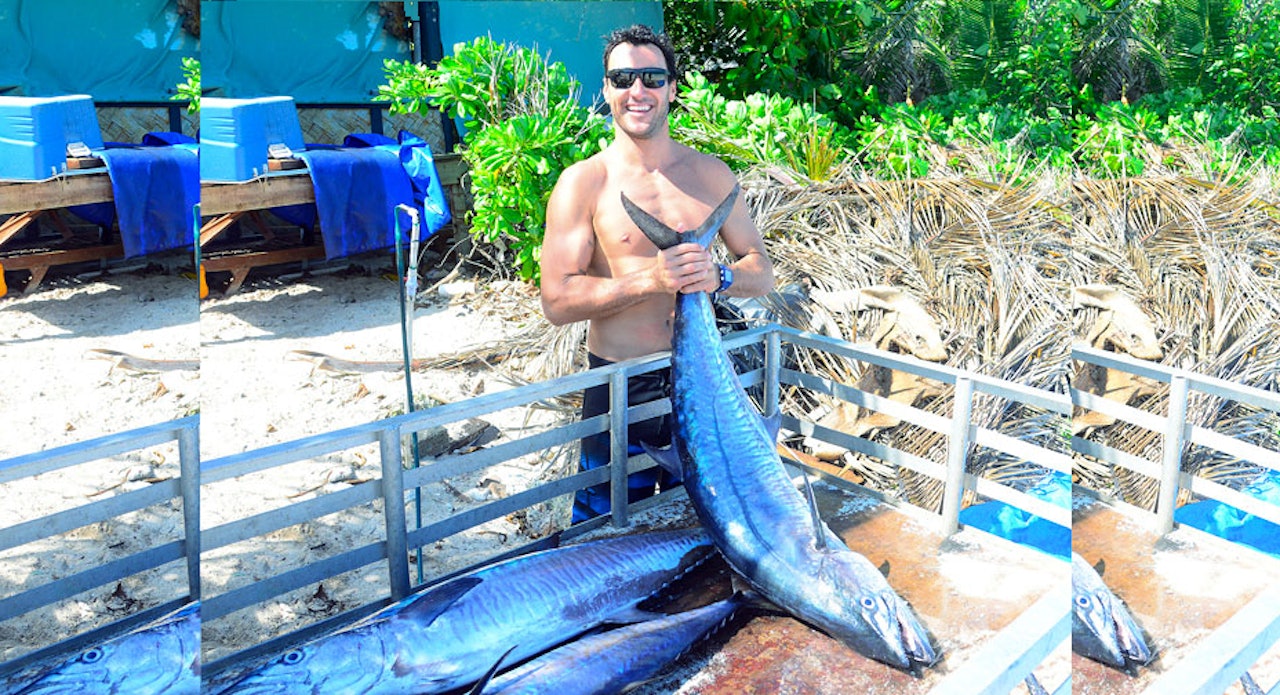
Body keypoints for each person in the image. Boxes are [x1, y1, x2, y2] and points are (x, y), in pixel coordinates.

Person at [540, 24, 775, 521]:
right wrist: (650, 280)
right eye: (623, 79)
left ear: (672, 87)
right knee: (608, 531)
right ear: (606, 89)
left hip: (709, 378)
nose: (637, 92)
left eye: (651, 77)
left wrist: (721, 277)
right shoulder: (584, 183)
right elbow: (557, 301)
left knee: (709, 523)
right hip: (625, 387)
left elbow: (762, 270)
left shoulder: (712, 175)